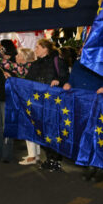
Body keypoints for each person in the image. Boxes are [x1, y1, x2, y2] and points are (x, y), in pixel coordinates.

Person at [26, 38, 69, 172]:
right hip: (39, 103)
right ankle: (49, 158)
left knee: (53, 130)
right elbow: (28, 81)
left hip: (53, 102)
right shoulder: (35, 64)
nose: (35, 49)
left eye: (38, 47)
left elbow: (66, 77)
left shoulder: (57, 61)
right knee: (42, 130)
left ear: (46, 49)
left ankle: (56, 160)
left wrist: (58, 80)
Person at [63, 60, 103, 182]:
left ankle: (100, 166)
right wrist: (68, 84)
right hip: (81, 103)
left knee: (99, 135)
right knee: (86, 134)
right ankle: (90, 163)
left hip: (99, 103)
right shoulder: (77, 63)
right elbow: (72, 79)